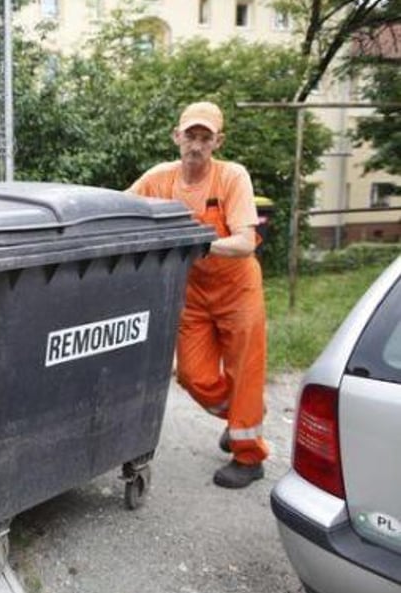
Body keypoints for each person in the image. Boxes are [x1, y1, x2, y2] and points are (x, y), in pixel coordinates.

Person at [128, 101, 270, 489]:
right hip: (192, 293)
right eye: (190, 135)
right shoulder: (159, 179)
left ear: (217, 142)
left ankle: (249, 456)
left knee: (245, 371)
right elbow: (121, 207)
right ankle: (243, 414)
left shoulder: (231, 178)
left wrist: (198, 245)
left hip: (237, 289)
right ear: (177, 137)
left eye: (205, 137)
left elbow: (244, 242)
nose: (196, 144)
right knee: (193, 376)